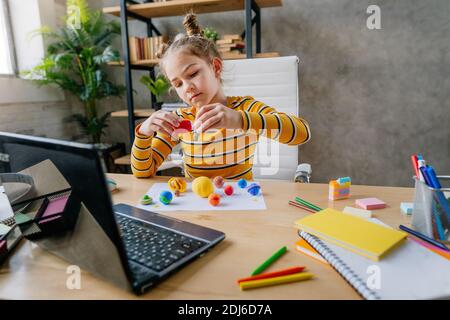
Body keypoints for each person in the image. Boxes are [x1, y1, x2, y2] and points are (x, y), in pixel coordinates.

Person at [131, 13, 311, 180]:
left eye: (193, 74)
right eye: (178, 84)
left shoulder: (244, 109)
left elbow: (302, 133)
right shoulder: (181, 120)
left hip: (241, 202)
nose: (188, 88)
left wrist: (241, 120)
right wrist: (144, 133)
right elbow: (143, 170)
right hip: (197, 207)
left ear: (215, 67)